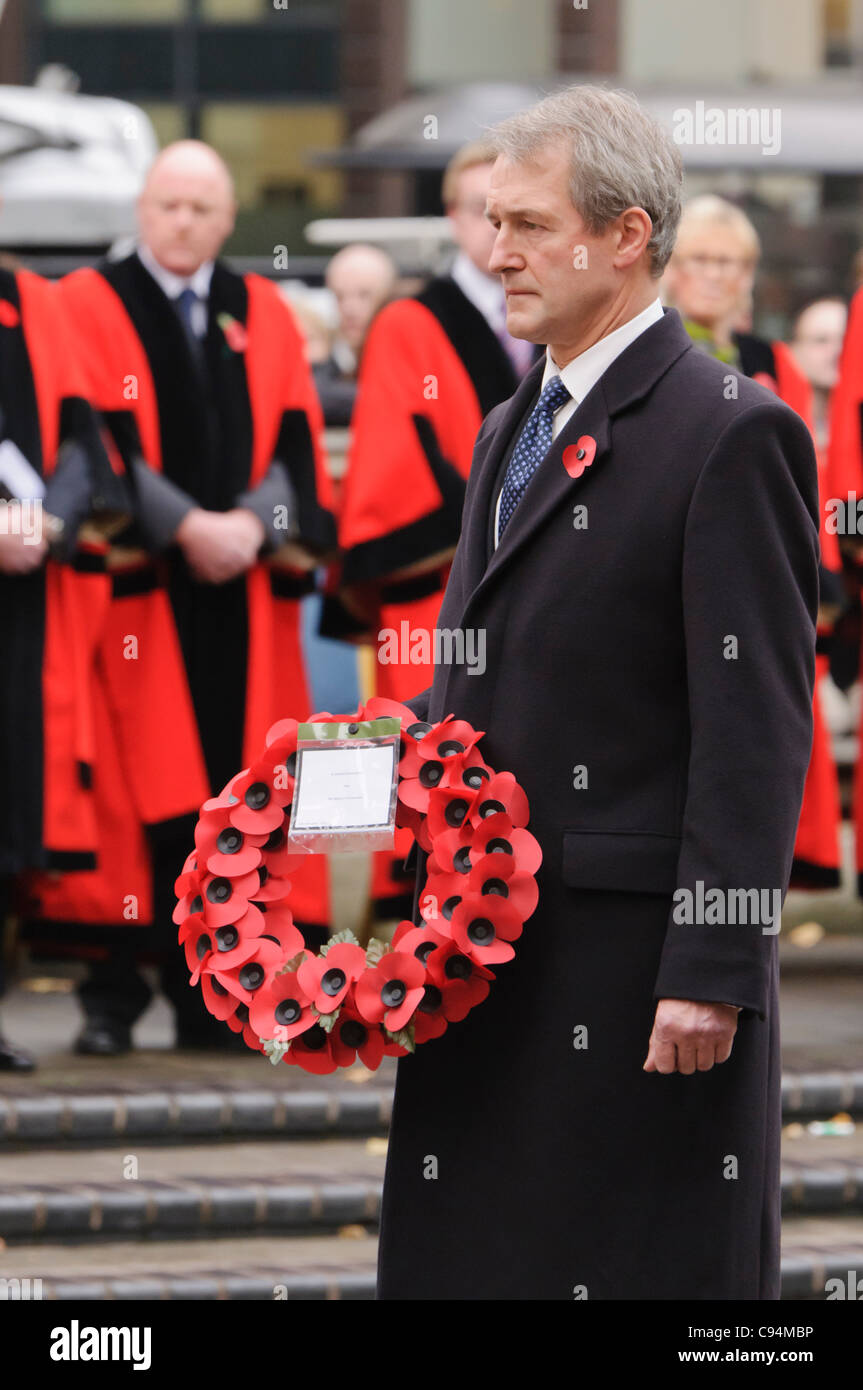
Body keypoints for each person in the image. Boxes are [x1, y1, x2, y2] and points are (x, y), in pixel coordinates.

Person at [376, 84, 818, 1300]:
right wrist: (320, 786)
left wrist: (711, 968)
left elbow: (758, 730)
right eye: (486, 221)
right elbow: (465, 692)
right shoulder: (510, 422)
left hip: (635, 986)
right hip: (481, 962)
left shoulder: (730, 431)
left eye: (524, 223)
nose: (494, 250)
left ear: (625, 235)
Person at [26, 140, 336, 1055]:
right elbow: (90, 440)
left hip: (242, 599)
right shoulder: (84, 303)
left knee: (237, 798)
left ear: (229, 218)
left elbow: (296, 440)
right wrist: (184, 528)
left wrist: (250, 524)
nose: (184, 222)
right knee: (134, 795)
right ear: (141, 208)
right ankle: (111, 998)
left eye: (203, 207)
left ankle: (223, 999)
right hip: (137, 599)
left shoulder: (261, 308)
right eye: (169, 204)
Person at [331, 141, 540, 923]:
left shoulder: (555, 318)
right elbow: (390, 480)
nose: (500, 232)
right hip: (441, 590)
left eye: (521, 213)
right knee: (442, 784)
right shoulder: (411, 323)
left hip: (548, 595)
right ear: (454, 219)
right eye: (485, 212)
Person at [665, 197, 843, 889]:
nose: (717, 276)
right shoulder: (664, 353)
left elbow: (814, 482)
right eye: (703, 259)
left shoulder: (773, 360)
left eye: (732, 263)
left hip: (764, 583)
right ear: (672, 268)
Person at [0, 263, 125, 1069]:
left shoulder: (32, 304)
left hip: (21, 610)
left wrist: (42, 523)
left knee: (9, 807)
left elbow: (83, 438)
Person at [313, 244, 398, 427]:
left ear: (388, 297)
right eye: (340, 296)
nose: (349, 309)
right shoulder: (340, 358)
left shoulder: (407, 355)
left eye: (364, 295)